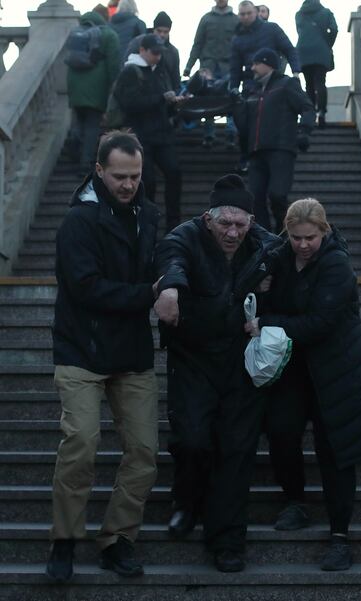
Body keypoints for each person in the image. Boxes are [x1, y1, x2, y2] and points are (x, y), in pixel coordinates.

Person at [245, 198, 361, 571]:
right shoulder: (280, 255)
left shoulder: (337, 263)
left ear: (325, 231)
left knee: (335, 448)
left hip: (338, 368)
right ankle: (295, 502)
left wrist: (269, 322)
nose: (303, 244)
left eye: (310, 237)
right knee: (281, 431)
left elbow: (320, 321)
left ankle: (340, 536)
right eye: (295, 237)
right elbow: (258, 291)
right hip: (293, 365)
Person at [46, 131, 160, 582]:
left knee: (144, 451)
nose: (129, 184)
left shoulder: (148, 214)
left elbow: (163, 258)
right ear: (98, 171)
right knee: (80, 445)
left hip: (132, 351)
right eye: (119, 176)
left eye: (135, 175)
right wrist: (149, 295)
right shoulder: (78, 222)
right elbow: (85, 287)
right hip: (81, 349)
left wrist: (170, 279)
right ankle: (65, 541)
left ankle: (118, 539)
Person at [154, 174, 278, 573]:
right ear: (208, 218)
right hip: (193, 357)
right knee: (192, 439)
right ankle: (186, 501)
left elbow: (304, 249)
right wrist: (170, 288)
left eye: (240, 225)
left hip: (241, 362)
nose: (232, 232)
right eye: (225, 223)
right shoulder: (186, 236)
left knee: (237, 448)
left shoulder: (262, 244)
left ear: (251, 221)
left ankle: (227, 539)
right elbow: (171, 258)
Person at [234, 48, 315, 232]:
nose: (252, 68)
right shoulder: (252, 90)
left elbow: (307, 107)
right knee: (255, 199)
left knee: (277, 195)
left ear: (267, 64)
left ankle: (284, 230)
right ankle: (266, 239)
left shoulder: (287, 84)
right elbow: (245, 125)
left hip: (281, 149)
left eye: (256, 63)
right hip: (256, 152)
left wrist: (304, 131)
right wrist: (237, 106)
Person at [114, 33, 183, 232]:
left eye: (160, 53)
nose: (158, 57)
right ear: (142, 50)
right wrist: (161, 98)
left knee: (174, 172)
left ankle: (173, 222)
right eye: (154, 52)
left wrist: (173, 104)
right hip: (141, 135)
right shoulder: (130, 72)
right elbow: (129, 103)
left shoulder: (159, 70)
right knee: (148, 181)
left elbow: (160, 102)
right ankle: (146, 223)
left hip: (162, 133)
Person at [230, 0, 301, 172]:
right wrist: (233, 87)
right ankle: (246, 156)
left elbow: (289, 49)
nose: (245, 17)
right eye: (242, 14)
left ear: (255, 12)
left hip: (273, 82)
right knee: (245, 123)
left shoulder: (271, 29)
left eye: (248, 13)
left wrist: (296, 72)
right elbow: (235, 66)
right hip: (249, 84)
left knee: (272, 121)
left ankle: (273, 155)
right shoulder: (237, 38)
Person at [66, 11, 120, 176]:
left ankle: (74, 140)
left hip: (74, 82)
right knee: (91, 125)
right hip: (97, 85)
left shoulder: (75, 32)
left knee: (78, 119)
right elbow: (113, 63)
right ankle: (85, 163)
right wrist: (114, 84)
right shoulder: (109, 35)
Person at [183, 0, 238, 147]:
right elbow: (198, 44)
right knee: (207, 101)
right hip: (208, 68)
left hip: (228, 67)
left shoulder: (236, 19)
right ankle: (208, 135)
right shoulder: (206, 19)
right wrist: (189, 67)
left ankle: (231, 133)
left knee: (230, 99)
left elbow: (240, 45)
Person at [295, 0, 338, 128]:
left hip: (303, 50)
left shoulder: (299, 14)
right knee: (320, 82)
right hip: (321, 50)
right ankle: (322, 112)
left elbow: (300, 31)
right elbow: (334, 29)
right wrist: (327, 43)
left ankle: (310, 114)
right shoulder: (326, 12)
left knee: (308, 84)